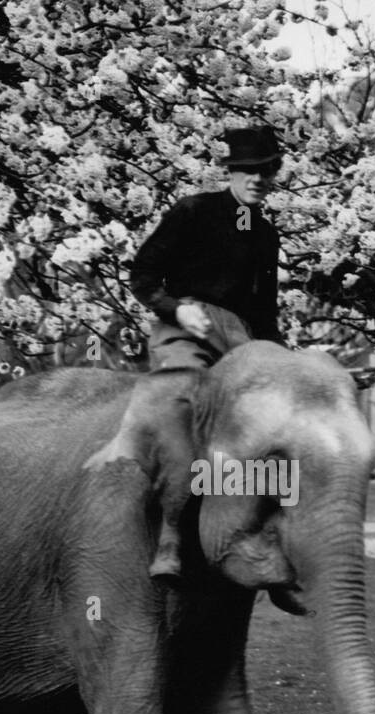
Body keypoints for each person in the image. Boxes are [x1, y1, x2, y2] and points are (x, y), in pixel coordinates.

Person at [86, 126, 285, 581]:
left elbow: (267, 315)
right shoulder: (194, 211)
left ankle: (268, 547)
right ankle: (171, 532)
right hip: (185, 329)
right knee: (181, 404)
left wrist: (288, 364)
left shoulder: (266, 235)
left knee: (278, 426)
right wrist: (177, 309)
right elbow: (142, 276)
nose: (257, 179)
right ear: (231, 172)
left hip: (242, 342)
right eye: (248, 170)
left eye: (266, 170)